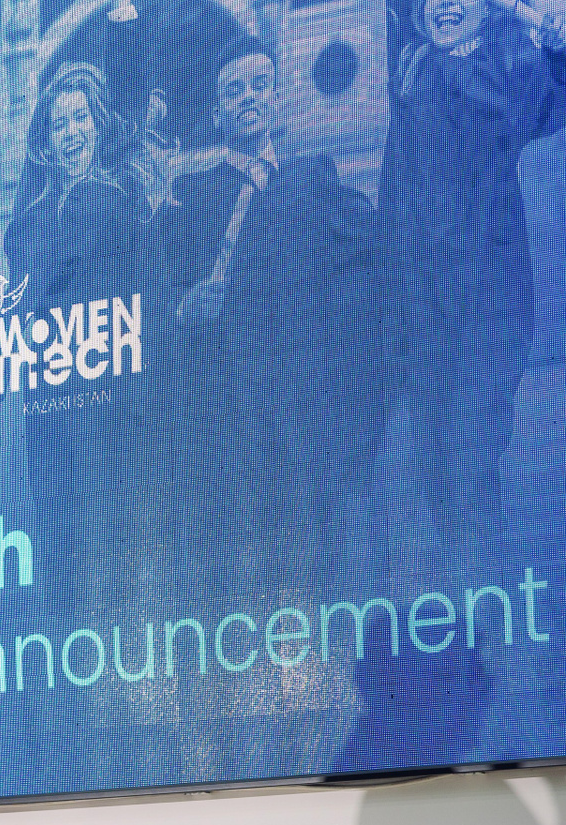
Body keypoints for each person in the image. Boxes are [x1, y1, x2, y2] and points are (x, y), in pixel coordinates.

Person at [161, 36, 381, 585]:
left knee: (327, 541)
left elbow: (368, 254)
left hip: (308, 394)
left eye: (260, 85)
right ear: (218, 111)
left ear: (279, 98)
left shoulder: (314, 178)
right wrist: (187, 305)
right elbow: (167, 294)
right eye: (234, 90)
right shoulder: (193, 196)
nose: (249, 97)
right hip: (236, 398)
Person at [380, 0, 566, 557]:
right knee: (436, 456)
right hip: (421, 299)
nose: (443, 5)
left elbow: (534, 108)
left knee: (475, 450)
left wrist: (553, 46)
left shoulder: (508, 65)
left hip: (491, 296)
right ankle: (469, 571)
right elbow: (395, 196)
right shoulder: (413, 75)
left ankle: (485, 570)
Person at [3, 62, 164, 602]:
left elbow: (143, 300)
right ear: (46, 140)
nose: (71, 132)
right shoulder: (30, 220)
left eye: (80, 118)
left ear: (98, 124)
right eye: (59, 123)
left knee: (112, 534)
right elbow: (18, 307)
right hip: (49, 398)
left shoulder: (121, 201)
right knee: (57, 537)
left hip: (107, 395)